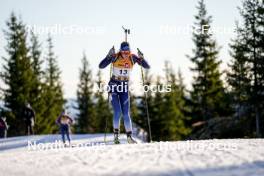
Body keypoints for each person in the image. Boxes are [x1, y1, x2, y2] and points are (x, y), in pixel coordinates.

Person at [99, 41, 150, 144]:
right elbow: (101, 66)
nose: (125, 54)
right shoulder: (115, 57)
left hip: (124, 87)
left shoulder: (133, 57)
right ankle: (116, 137)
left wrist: (142, 58)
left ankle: (129, 137)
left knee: (126, 113)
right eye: (123, 52)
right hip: (113, 85)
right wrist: (108, 56)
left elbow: (146, 66)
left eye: (127, 52)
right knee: (117, 112)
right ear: (120, 51)